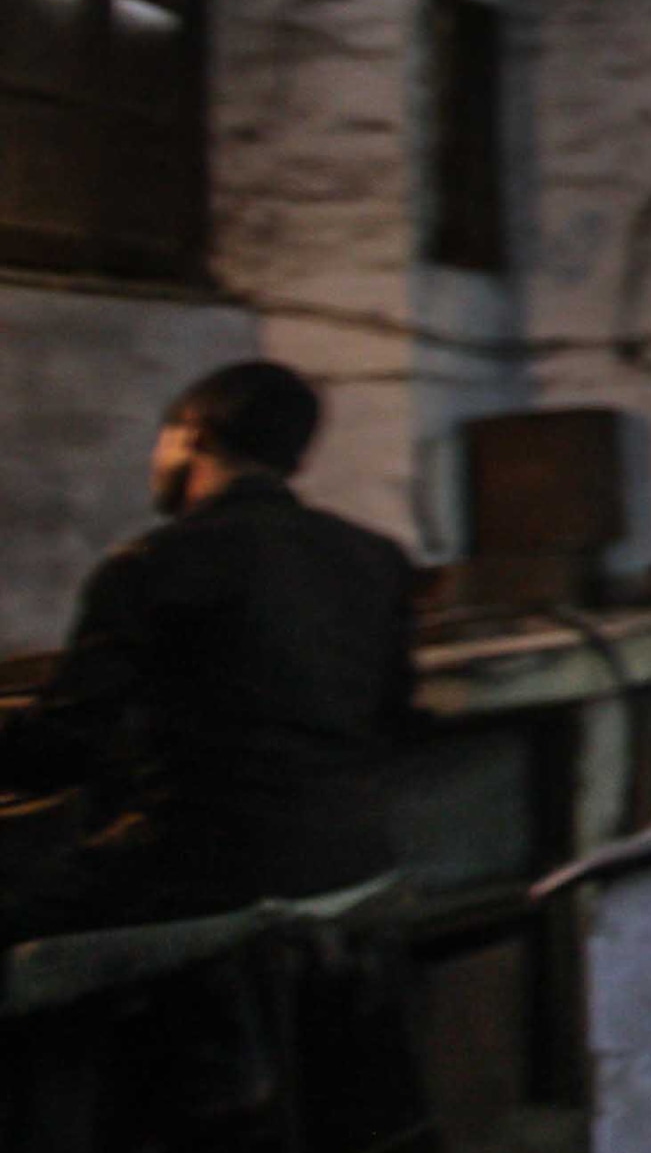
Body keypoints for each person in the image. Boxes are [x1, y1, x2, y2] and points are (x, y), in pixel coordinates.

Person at [7, 361, 416, 930]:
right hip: (356, 862)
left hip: (209, 873)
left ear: (191, 437)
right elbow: (393, 719)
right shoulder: (378, 558)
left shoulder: (152, 564)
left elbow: (58, 753)